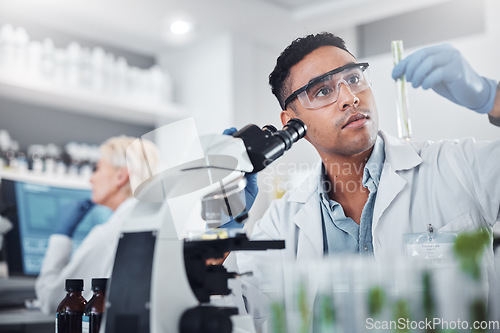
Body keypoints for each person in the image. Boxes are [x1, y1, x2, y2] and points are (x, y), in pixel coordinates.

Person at [234, 33, 500, 328]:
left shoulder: (458, 166)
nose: (350, 98)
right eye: (322, 91)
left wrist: (494, 98)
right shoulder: (280, 223)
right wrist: (222, 218)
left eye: (354, 78)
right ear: (291, 123)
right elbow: (236, 311)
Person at [35, 136, 159, 314]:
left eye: (97, 169)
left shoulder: (110, 233)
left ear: (121, 176)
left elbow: (50, 299)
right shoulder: (153, 221)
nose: (91, 179)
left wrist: (61, 235)